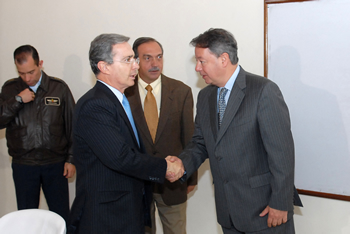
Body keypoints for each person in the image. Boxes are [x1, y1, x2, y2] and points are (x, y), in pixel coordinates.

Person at [167, 28, 302, 234]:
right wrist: (182, 163)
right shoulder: (205, 97)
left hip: (266, 211)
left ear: (223, 59)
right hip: (228, 212)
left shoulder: (263, 90)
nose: (197, 68)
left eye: (202, 61)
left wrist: (281, 202)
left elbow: (281, 153)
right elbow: (201, 142)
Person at [68, 33, 184, 234]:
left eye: (134, 59)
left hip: (125, 211)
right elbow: (120, 157)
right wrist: (165, 166)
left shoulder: (118, 100)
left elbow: (134, 150)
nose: (136, 66)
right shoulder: (95, 105)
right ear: (104, 67)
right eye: (128, 60)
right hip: (107, 217)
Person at [125, 37, 197, 234]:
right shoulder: (123, 94)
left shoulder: (181, 91)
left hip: (172, 184)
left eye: (159, 57)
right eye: (147, 58)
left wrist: (190, 176)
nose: (155, 63)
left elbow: (190, 138)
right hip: (137, 183)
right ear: (136, 61)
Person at [0, 45, 76, 222]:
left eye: (31, 72)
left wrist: (71, 159)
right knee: (27, 218)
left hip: (55, 164)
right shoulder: (10, 89)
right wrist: (18, 100)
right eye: (22, 73)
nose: (27, 78)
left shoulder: (59, 88)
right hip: (23, 164)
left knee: (61, 216)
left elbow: (73, 126)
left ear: (40, 64)